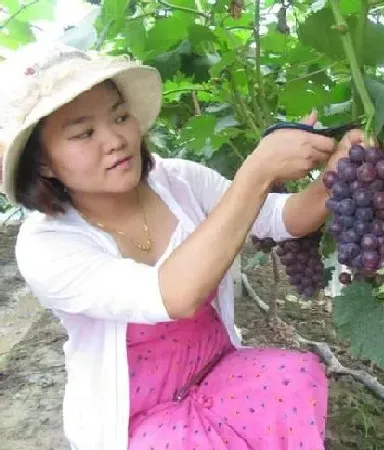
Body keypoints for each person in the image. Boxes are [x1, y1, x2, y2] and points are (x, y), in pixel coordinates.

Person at [0, 42, 364, 450]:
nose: (116, 139)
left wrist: (337, 174)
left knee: (293, 377)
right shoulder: (47, 245)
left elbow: (282, 218)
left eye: (120, 116)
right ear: (44, 162)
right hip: (138, 419)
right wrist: (257, 172)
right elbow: (174, 295)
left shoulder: (180, 181)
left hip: (218, 371)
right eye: (84, 133)